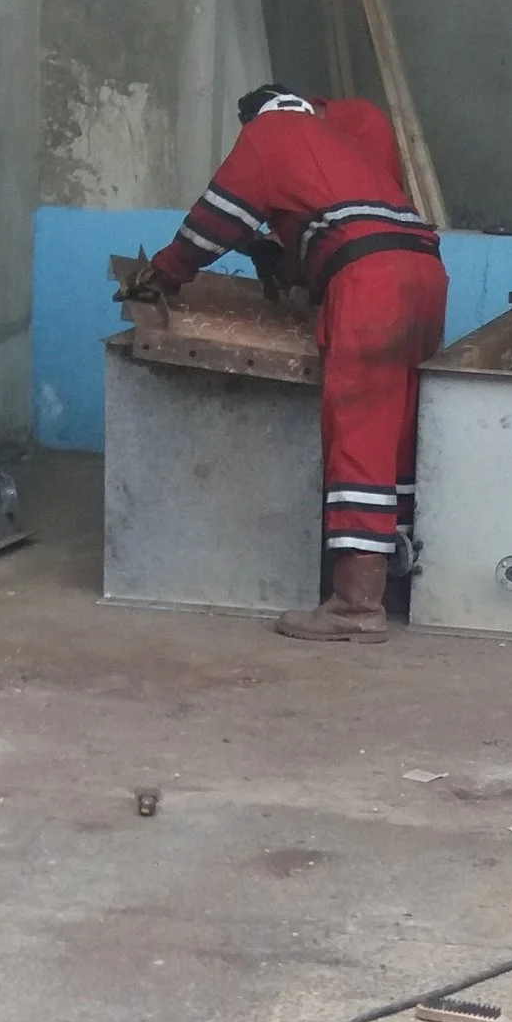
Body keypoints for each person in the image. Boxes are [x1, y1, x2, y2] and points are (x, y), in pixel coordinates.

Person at [133, 86, 447, 643]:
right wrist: (282, 258)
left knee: (359, 432)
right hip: (423, 275)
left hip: (369, 284)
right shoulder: (347, 136)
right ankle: (394, 578)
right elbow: (343, 222)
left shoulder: (270, 132)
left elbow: (212, 224)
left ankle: (355, 606)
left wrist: (164, 273)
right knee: (399, 432)